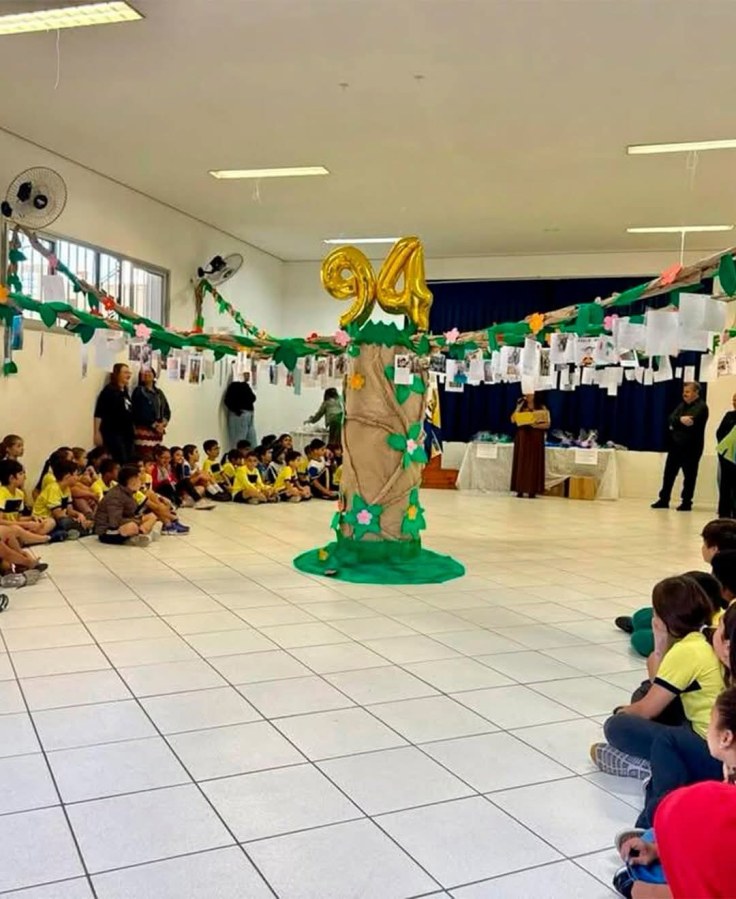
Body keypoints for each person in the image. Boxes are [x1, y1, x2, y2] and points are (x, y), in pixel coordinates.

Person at [593, 576, 724, 828]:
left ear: (663, 619)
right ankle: (661, 762)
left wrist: (622, 712)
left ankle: (653, 770)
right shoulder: (708, 637)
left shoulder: (687, 650)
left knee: (618, 726)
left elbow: (648, 709)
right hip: (711, 731)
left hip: (712, 749)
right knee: (646, 693)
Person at [614, 519, 736, 654]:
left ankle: (650, 632)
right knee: (642, 617)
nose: (702, 548)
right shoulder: (721, 568)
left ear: (714, 549)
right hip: (693, 619)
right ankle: (644, 626)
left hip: (695, 624)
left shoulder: (723, 579)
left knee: (640, 638)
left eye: (704, 543)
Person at [651, 381, 709, 512]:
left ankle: (686, 502)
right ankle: (664, 499)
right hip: (676, 446)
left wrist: (676, 423)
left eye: (688, 392)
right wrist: (679, 420)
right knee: (669, 474)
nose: (684, 394)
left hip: (691, 448)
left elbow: (691, 421)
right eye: (684, 391)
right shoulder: (682, 405)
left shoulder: (701, 407)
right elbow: (670, 418)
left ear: (696, 392)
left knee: (689, 476)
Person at [94, 464, 159, 547]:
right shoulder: (115, 496)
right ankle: (141, 535)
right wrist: (137, 521)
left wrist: (139, 519)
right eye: (138, 479)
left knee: (152, 516)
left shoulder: (129, 492)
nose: (141, 482)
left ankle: (141, 534)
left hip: (124, 522)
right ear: (132, 481)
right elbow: (115, 522)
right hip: (108, 531)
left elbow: (131, 512)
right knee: (132, 526)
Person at [32, 459, 93, 539]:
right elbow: (58, 515)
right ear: (67, 476)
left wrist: (79, 515)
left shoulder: (67, 489)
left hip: (59, 519)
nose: (77, 478)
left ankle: (75, 530)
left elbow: (70, 510)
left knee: (77, 520)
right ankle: (84, 529)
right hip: (45, 520)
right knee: (64, 522)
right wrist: (74, 519)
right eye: (76, 475)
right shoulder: (53, 488)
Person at [510, 392, 550, 499]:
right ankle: (519, 489)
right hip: (523, 438)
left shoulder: (541, 407)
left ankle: (532, 490)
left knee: (534, 463)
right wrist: (518, 407)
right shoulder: (521, 406)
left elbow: (547, 424)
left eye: (530, 394)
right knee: (521, 462)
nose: (527, 396)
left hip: (535, 437)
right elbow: (513, 419)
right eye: (526, 394)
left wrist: (535, 425)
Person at [93, 363, 135, 463]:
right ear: (117, 374)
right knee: (120, 460)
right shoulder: (109, 391)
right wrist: (97, 432)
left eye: (129, 373)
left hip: (127, 433)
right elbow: (99, 413)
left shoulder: (125, 391)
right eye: (125, 372)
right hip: (114, 433)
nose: (128, 375)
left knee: (129, 460)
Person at [131, 368, 171, 460]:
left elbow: (166, 410)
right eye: (144, 373)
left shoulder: (159, 393)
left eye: (149, 372)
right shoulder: (139, 391)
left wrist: (163, 423)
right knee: (145, 457)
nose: (147, 374)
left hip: (158, 431)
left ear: (154, 375)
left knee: (157, 456)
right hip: (144, 429)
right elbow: (138, 411)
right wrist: (154, 425)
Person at [223, 371, 257, 450]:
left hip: (248, 415)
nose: (248, 377)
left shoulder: (245, 385)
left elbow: (253, 398)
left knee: (251, 441)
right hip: (240, 415)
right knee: (239, 442)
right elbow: (228, 401)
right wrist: (237, 411)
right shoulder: (235, 386)